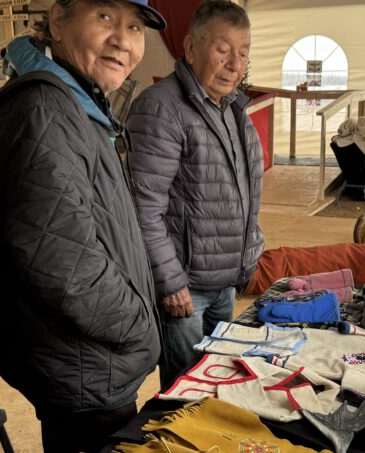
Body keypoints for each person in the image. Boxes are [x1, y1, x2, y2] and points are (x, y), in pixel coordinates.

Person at [0, 0, 166, 453]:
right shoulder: (45, 110)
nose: (123, 40)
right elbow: (60, 259)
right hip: (84, 364)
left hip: (88, 358)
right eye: (105, 18)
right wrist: (138, 328)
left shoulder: (77, 104)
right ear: (58, 21)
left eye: (134, 26)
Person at [127, 0, 264, 388]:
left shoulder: (231, 107)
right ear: (190, 49)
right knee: (185, 392)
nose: (235, 63)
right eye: (223, 50)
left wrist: (250, 251)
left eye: (243, 52)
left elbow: (244, 192)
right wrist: (169, 282)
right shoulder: (161, 108)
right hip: (185, 290)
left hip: (223, 283)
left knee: (217, 383)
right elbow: (143, 208)